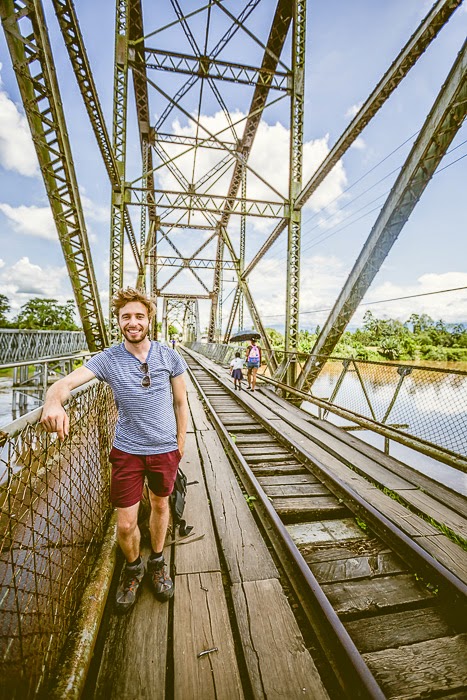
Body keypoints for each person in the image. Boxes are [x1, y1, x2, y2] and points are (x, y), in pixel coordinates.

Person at [40, 287, 188, 613]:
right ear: (119, 321)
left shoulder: (169, 357)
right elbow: (64, 384)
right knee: (125, 524)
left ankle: (157, 561)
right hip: (128, 451)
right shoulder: (108, 359)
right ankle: (133, 567)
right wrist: (52, 402)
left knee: (160, 505)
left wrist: (179, 445)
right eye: (126, 317)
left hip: (164, 449)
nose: (133, 322)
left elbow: (181, 403)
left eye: (139, 316)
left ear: (149, 319)